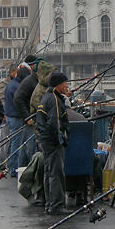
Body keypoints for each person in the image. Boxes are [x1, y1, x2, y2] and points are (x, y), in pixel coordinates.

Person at [35, 71, 70, 215]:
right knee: (56, 173)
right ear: (59, 84)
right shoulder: (54, 99)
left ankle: (49, 204)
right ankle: (57, 205)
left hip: (44, 141)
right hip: (52, 143)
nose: (67, 86)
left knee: (48, 172)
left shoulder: (46, 97)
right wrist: (60, 140)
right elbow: (54, 123)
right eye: (65, 83)